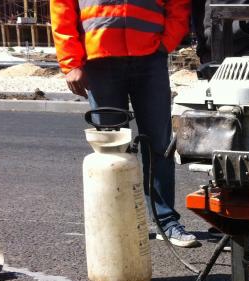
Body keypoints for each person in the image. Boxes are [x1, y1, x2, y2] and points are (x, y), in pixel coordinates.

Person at [51, 0, 199, 248]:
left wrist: (166, 42)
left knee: (158, 145)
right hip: (99, 59)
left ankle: (166, 221)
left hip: (149, 57)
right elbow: (62, 9)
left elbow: (179, 4)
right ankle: (121, 224)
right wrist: (71, 62)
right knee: (112, 150)